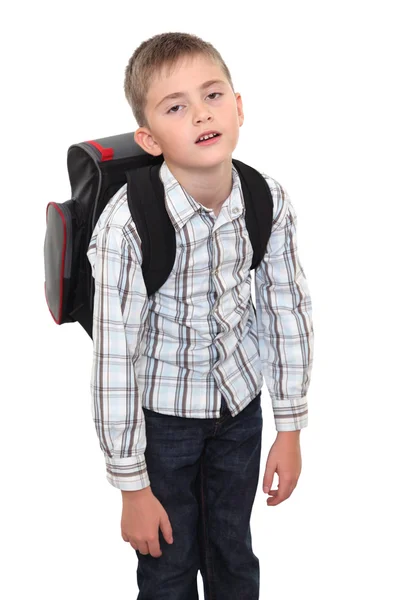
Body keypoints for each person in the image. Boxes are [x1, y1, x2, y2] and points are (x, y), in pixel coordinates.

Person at [87, 31, 314, 600]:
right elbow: (114, 359)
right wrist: (131, 486)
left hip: (240, 410)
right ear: (150, 137)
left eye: (213, 96)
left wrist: (290, 428)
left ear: (238, 107)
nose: (201, 114)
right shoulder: (126, 226)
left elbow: (288, 310)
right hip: (161, 424)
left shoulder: (268, 199)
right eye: (176, 106)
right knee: (166, 568)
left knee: (233, 554)